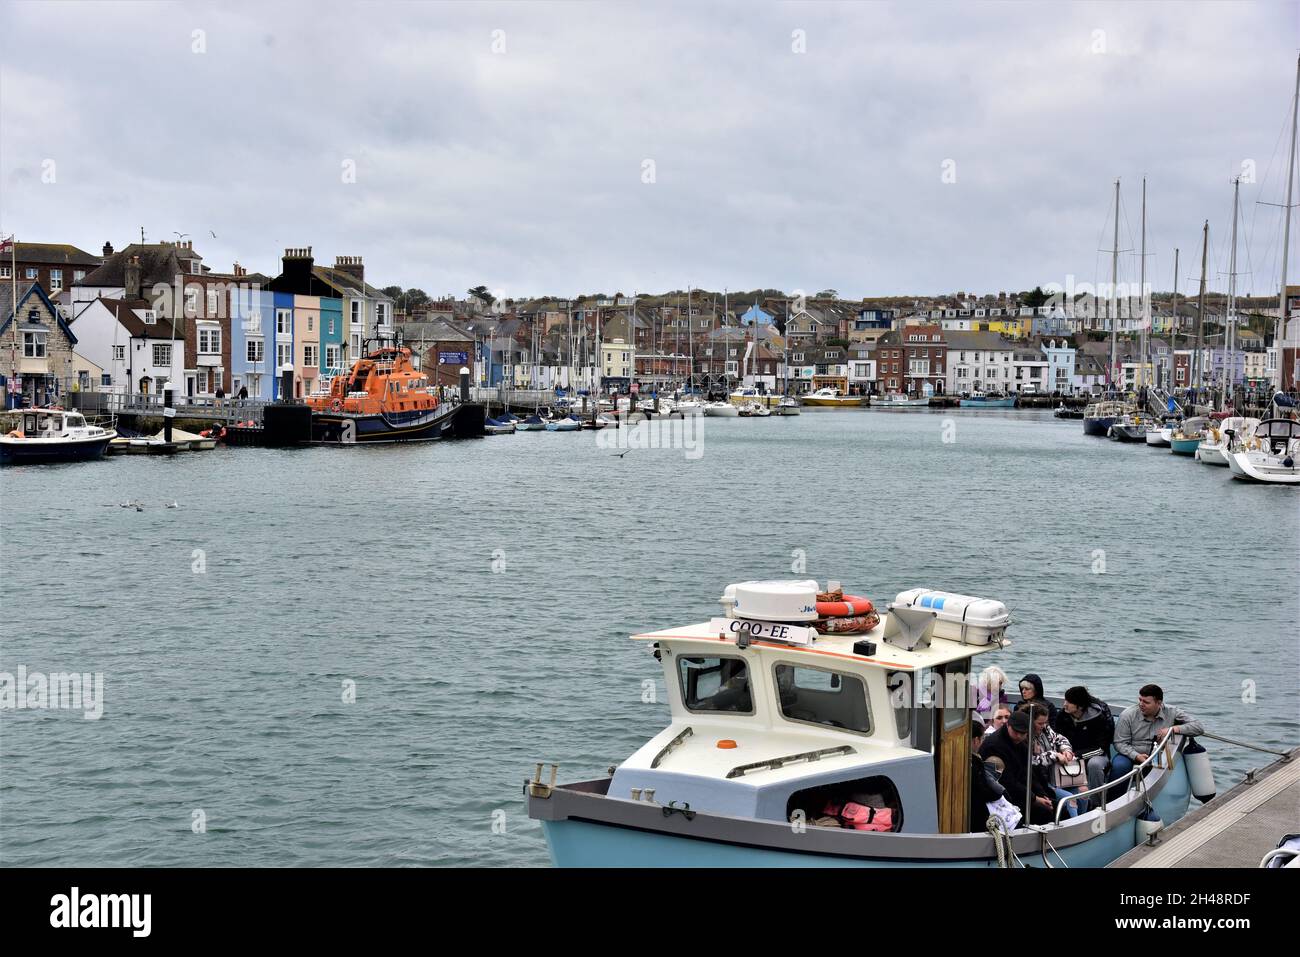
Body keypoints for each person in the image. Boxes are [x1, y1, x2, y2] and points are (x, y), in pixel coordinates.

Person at [1111, 684, 1204, 781]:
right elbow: (1119, 743)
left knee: (1163, 768)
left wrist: (1172, 730)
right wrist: (1136, 756)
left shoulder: (1172, 712)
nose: (1141, 704)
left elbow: (1198, 727)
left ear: (1159, 703)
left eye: (1146, 702)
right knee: (1120, 766)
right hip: (1131, 754)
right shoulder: (1127, 715)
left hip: (1159, 757)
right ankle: (1114, 795)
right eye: (1140, 700)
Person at [980, 710, 1056, 825]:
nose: (1019, 736)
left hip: (1022, 791)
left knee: (1056, 805)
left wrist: (1041, 794)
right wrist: (1034, 799)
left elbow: (1029, 772)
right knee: (1045, 813)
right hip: (1005, 796)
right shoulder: (994, 746)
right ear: (1008, 725)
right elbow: (1007, 782)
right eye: (1016, 732)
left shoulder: (1020, 743)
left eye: (1023, 733)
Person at [1053, 686, 1115, 808]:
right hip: (1070, 753)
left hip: (1097, 754)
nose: (1064, 704)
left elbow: (1101, 747)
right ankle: (1068, 803)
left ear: (1080, 706)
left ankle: (1097, 804)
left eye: (1069, 702)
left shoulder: (1099, 717)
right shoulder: (1063, 716)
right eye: (1065, 700)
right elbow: (1057, 738)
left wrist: (1077, 755)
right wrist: (1065, 752)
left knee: (1094, 765)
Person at [1025, 703, 1079, 818]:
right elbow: (1031, 762)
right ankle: (1075, 826)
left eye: (1045, 722)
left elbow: (1059, 739)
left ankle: (1083, 820)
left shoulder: (1045, 728)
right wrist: (1053, 755)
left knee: (1083, 793)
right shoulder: (1024, 737)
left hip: (1057, 775)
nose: (1043, 725)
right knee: (1070, 799)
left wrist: (1066, 750)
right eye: (1040, 723)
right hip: (1043, 782)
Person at [969, 717, 1005, 832]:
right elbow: (982, 790)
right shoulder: (974, 763)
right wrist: (997, 795)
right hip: (975, 817)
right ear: (976, 740)